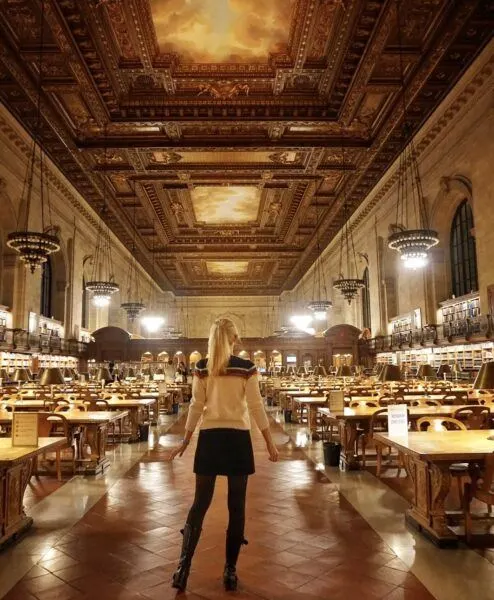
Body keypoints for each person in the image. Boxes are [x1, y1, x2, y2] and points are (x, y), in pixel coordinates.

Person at [169, 318, 278, 592]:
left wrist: (186, 439)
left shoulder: (202, 367)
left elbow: (196, 406)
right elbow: (255, 406)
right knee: (236, 506)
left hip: (210, 438)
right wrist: (269, 442)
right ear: (234, 339)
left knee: (199, 504)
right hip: (238, 438)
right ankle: (230, 570)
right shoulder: (247, 368)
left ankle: (183, 567)